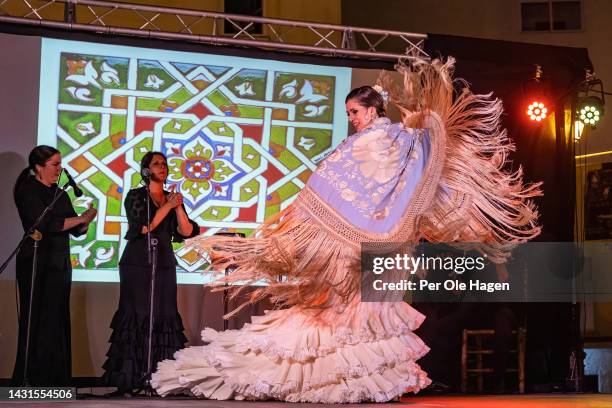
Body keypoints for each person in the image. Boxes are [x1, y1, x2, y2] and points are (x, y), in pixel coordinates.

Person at [151, 58, 541, 403]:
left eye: (355, 111)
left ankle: (364, 383)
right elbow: (352, 183)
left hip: (373, 247)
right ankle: (332, 380)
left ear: (372, 109)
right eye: (349, 112)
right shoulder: (388, 142)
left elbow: (399, 177)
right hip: (364, 245)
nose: (351, 119)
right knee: (338, 311)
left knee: (357, 313)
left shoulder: (386, 141)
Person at [102, 151, 200, 395]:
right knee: (136, 314)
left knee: (164, 313)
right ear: (146, 170)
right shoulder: (136, 196)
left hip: (164, 262)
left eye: (165, 164)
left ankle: (161, 379)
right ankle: (131, 378)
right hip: (137, 262)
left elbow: (186, 232)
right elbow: (146, 227)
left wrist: (176, 207)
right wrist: (166, 206)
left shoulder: (171, 198)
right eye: (157, 164)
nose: (163, 167)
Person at [12, 145, 97, 386]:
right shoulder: (29, 190)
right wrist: (77, 219)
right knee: (38, 320)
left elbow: (75, 229)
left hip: (59, 264)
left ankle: (55, 381)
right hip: (37, 262)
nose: (60, 169)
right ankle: (31, 380)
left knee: (57, 321)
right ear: (38, 167)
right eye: (55, 165)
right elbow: (46, 224)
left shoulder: (60, 193)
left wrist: (85, 221)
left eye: (60, 164)